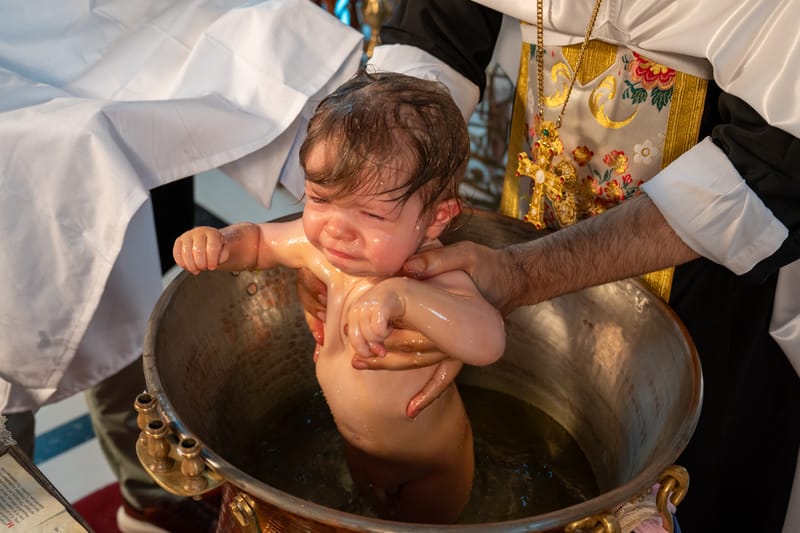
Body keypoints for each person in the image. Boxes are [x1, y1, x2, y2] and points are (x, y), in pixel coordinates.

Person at [297, 1, 800, 532]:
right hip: (533, 193)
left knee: (688, 477)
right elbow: (438, 26)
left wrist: (526, 273)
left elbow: (774, 158)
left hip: (704, 270)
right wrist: (375, 187)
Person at [173, 69, 506, 524]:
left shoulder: (430, 274)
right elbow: (260, 242)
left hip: (431, 465)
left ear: (434, 219)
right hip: (357, 448)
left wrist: (403, 299)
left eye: (371, 214)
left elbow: (488, 341)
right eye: (320, 198)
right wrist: (220, 242)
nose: (337, 229)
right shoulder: (321, 251)